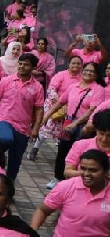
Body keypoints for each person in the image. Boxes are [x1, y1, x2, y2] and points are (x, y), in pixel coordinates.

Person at [41, 61, 106, 189]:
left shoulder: (98, 89)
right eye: (85, 70)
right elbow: (60, 102)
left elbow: (91, 110)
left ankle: (76, 180)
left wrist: (76, 123)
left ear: (96, 75)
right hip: (68, 122)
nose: (87, 73)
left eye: (91, 71)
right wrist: (46, 116)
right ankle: (58, 178)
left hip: (83, 126)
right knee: (62, 150)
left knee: (81, 153)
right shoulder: (73, 87)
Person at [0, 52, 43, 182]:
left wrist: (36, 128)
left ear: (33, 68)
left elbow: (39, 109)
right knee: (6, 139)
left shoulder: (37, 87)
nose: (22, 66)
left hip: (23, 127)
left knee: (15, 161)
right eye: (20, 63)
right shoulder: (6, 81)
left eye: (26, 65)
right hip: (3, 119)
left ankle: (9, 185)